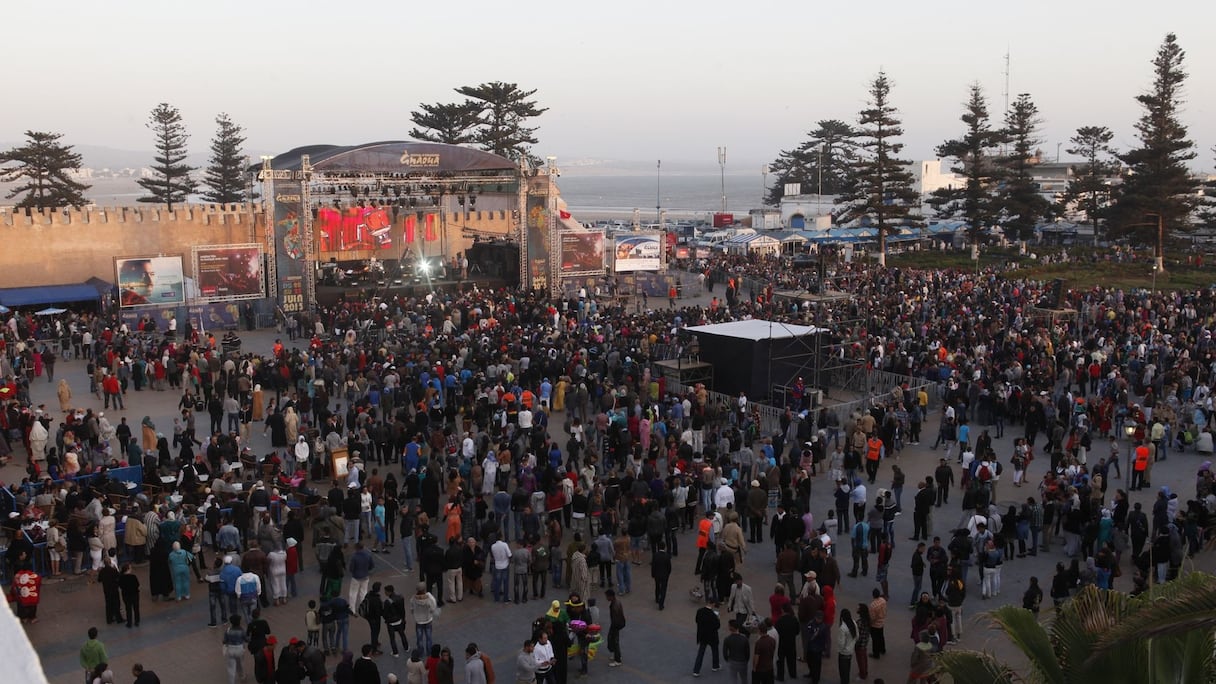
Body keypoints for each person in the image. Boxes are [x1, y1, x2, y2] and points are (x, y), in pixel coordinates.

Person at [693, 599, 722, 677]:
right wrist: (718, 619)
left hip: (702, 635)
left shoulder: (699, 611)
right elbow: (717, 626)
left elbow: (696, 620)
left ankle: (696, 670)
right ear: (712, 604)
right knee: (715, 650)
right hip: (712, 636)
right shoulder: (713, 615)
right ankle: (715, 666)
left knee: (701, 653)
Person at [410, 581, 438, 655]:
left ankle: (420, 652)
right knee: (429, 638)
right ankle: (429, 652)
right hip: (428, 620)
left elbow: (412, 610)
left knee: (419, 639)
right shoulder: (429, 597)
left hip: (418, 621)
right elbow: (433, 607)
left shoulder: (413, 598)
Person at [382, 584, 409, 657]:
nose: (385, 593)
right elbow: (402, 610)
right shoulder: (400, 597)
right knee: (402, 634)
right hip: (399, 620)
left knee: (392, 638)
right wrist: (403, 619)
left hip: (391, 622)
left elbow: (385, 613)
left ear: (389, 592)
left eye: (385, 591)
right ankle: (406, 647)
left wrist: (386, 619)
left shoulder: (387, 602)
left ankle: (395, 652)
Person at [802, 611, 828, 684]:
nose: (819, 620)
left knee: (817, 665)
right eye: (818, 618)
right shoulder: (811, 623)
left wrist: (823, 649)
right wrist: (813, 635)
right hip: (810, 647)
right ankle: (811, 673)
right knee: (810, 662)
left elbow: (825, 639)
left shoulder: (823, 627)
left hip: (818, 649)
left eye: (820, 619)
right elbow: (808, 632)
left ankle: (816, 679)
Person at [722, 619, 750, 684]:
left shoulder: (727, 639)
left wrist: (728, 660)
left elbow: (725, 653)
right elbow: (747, 653)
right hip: (742, 662)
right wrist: (746, 660)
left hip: (732, 661)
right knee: (744, 678)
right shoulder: (744, 638)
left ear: (730, 628)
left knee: (733, 679)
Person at [222, 615, 248, 684]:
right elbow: (246, 639)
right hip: (239, 649)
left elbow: (224, 641)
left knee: (231, 668)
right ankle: (242, 677)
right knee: (240, 664)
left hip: (230, 649)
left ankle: (231, 682)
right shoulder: (242, 630)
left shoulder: (228, 630)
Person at [836, 609, 858, 684]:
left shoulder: (842, 628)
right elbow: (857, 636)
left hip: (844, 652)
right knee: (847, 669)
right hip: (850, 651)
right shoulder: (853, 622)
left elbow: (841, 643)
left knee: (843, 671)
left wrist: (839, 650)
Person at [606, 588, 626, 667]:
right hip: (618, 624)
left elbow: (615, 618)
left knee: (614, 641)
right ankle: (617, 655)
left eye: (607, 596)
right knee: (614, 640)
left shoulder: (614, 605)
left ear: (611, 596)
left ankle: (617, 659)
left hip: (615, 625)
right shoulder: (617, 602)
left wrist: (614, 627)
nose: (606, 598)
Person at [753, 620, 776, 684]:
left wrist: (754, 667)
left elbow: (756, 657)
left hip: (761, 668)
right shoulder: (772, 640)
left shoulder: (759, 643)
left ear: (760, 631)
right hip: (770, 667)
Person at [652, 542, 673, 610]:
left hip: (657, 574)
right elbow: (669, 567)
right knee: (663, 589)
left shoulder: (655, 555)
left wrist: (653, 574)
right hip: (664, 575)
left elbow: (653, 566)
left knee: (657, 586)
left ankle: (657, 598)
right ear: (664, 547)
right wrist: (668, 574)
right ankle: (661, 604)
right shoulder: (667, 556)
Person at [119, 563, 141, 628]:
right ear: (128, 569)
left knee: (128, 609)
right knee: (136, 608)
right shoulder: (133, 577)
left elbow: (120, 586)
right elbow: (137, 585)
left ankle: (129, 623)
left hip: (126, 595)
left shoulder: (121, 577)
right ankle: (137, 621)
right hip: (134, 595)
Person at [868, 588, 887, 659]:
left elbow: (872, 618)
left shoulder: (872, 605)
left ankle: (876, 654)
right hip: (882, 622)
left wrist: (870, 624)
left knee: (875, 639)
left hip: (875, 624)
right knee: (881, 636)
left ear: (873, 595)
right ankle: (882, 649)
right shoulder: (883, 600)